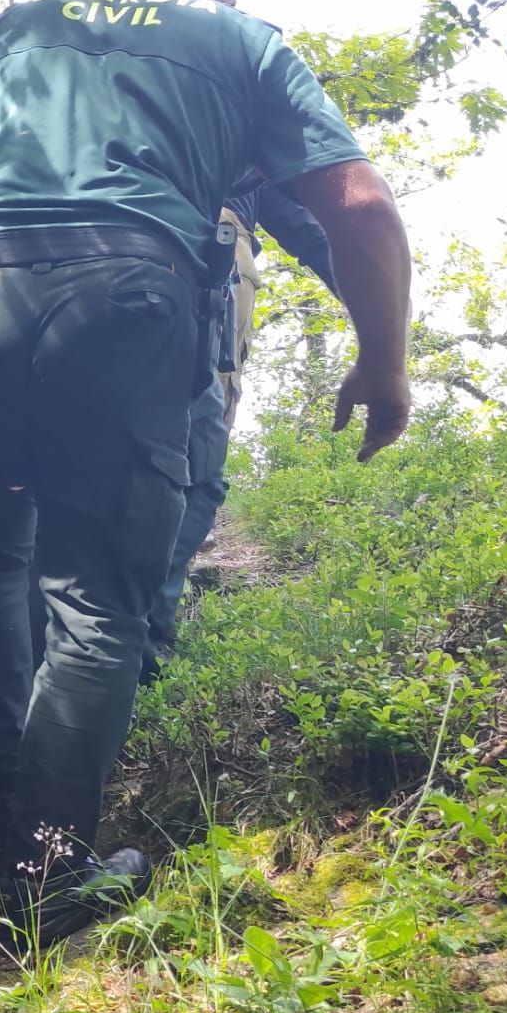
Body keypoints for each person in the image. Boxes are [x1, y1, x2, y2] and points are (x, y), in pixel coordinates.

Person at [0, 0, 412, 952]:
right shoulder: (239, 40)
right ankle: (52, 867)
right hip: (123, 298)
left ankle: (6, 809)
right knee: (96, 595)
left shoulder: (5, 29)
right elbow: (359, 206)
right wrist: (383, 360)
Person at [144, 179, 338, 675]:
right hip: (215, 249)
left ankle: (81, 630)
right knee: (196, 460)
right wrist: (380, 321)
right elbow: (307, 226)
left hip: (97, 244)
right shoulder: (240, 117)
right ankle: (142, 626)